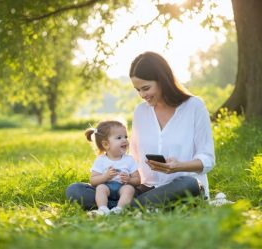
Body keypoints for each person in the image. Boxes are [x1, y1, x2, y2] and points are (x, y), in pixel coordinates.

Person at [66, 51, 215, 209]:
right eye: (138, 90)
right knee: (75, 190)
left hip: (178, 186)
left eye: (146, 88)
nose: (143, 95)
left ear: (163, 80)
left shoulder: (194, 106)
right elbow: (134, 157)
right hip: (143, 190)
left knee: (189, 184)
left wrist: (179, 166)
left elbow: (207, 159)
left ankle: (121, 207)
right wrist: (119, 177)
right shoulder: (141, 112)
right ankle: (131, 206)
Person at [84, 120, 140, 215]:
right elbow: (93, 181)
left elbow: (138, 180)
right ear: (106, 144)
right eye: (119, 138)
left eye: (125, 137)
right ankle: (103, 208)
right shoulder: (100, 160)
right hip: (107, 188)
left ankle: (119, 209)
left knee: (129, 189)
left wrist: (129, 180)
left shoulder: (129, 160)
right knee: (100, 188)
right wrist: (105, 177)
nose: (125, 140)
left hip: (122, 189)